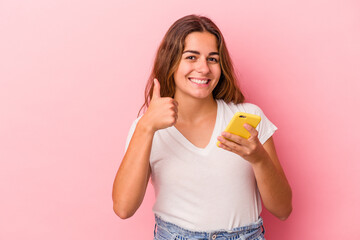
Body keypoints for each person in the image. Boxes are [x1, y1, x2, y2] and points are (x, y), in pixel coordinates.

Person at [112, 14, 292, 240]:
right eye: (191, 57)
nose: (204, 68)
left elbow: (283, 209)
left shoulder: (248, 117)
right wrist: (146, 126)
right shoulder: (147, 126)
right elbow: (123, 208)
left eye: (213, 59)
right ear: (171, 61)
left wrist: (259, 158)